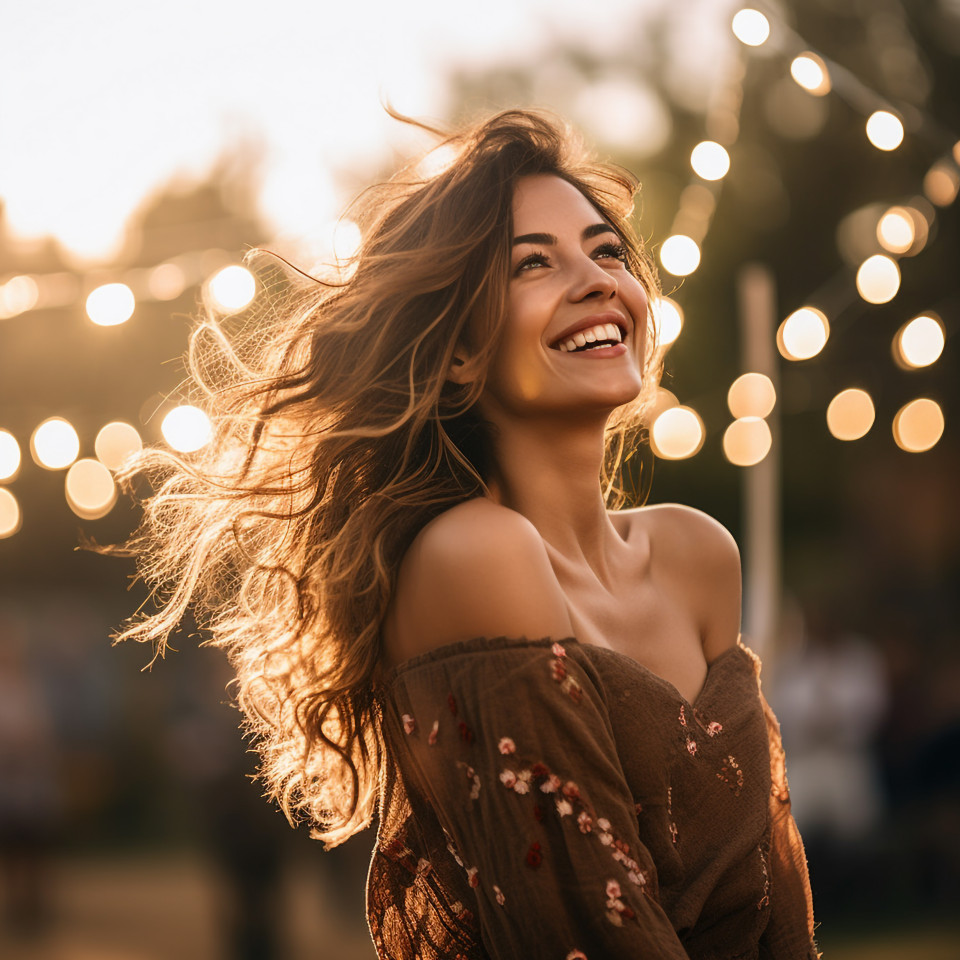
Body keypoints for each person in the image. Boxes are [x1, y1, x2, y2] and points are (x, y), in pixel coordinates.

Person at [112, 110, 818, 959]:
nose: (598, 280)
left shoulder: (698, 554)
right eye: (533, 263)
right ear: (458, 355)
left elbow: (775, 903)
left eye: (605, 251)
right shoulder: (477, 555)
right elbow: (591, 933)